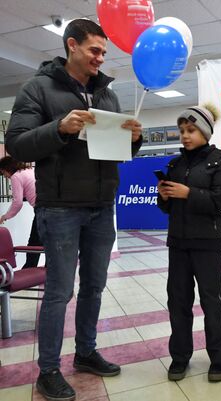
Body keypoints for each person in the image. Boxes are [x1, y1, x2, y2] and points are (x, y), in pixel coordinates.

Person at [5, 19, 143, 401]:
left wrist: (134, 141)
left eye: (104, 52)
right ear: (71, 46)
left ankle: (85, 352)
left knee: (95, 287)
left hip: (101, 207)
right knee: (59, 291)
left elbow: (115, 153)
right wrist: (59, 128)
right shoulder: (38, 88)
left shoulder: (107, 95)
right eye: (94, 50)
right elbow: (16, 145)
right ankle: (48, 369)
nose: (101, 58)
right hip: (61, 208)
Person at [157, 104, 221, 383]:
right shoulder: (175, 165)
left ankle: (220, 358)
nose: (185, 136)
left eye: (190, 130)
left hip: (206, 243)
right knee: (178, 301)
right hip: (178, 243)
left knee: (211, 301)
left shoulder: (218, 162)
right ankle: (179, 357)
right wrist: (164, 196)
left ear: (205, 131)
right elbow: (166, 208)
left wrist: (188, 192)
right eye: (181, 130)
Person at [0, 156, 42, 268]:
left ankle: (29, 269)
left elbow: (17, 203)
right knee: (47, 240)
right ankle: (47, 269)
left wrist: (5, 216)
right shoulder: (29, 170)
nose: (5, 176)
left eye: (3, 173)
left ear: (7, 168)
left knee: (34, 242)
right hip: (50, 207)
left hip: (41, 210)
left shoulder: (16, 177)